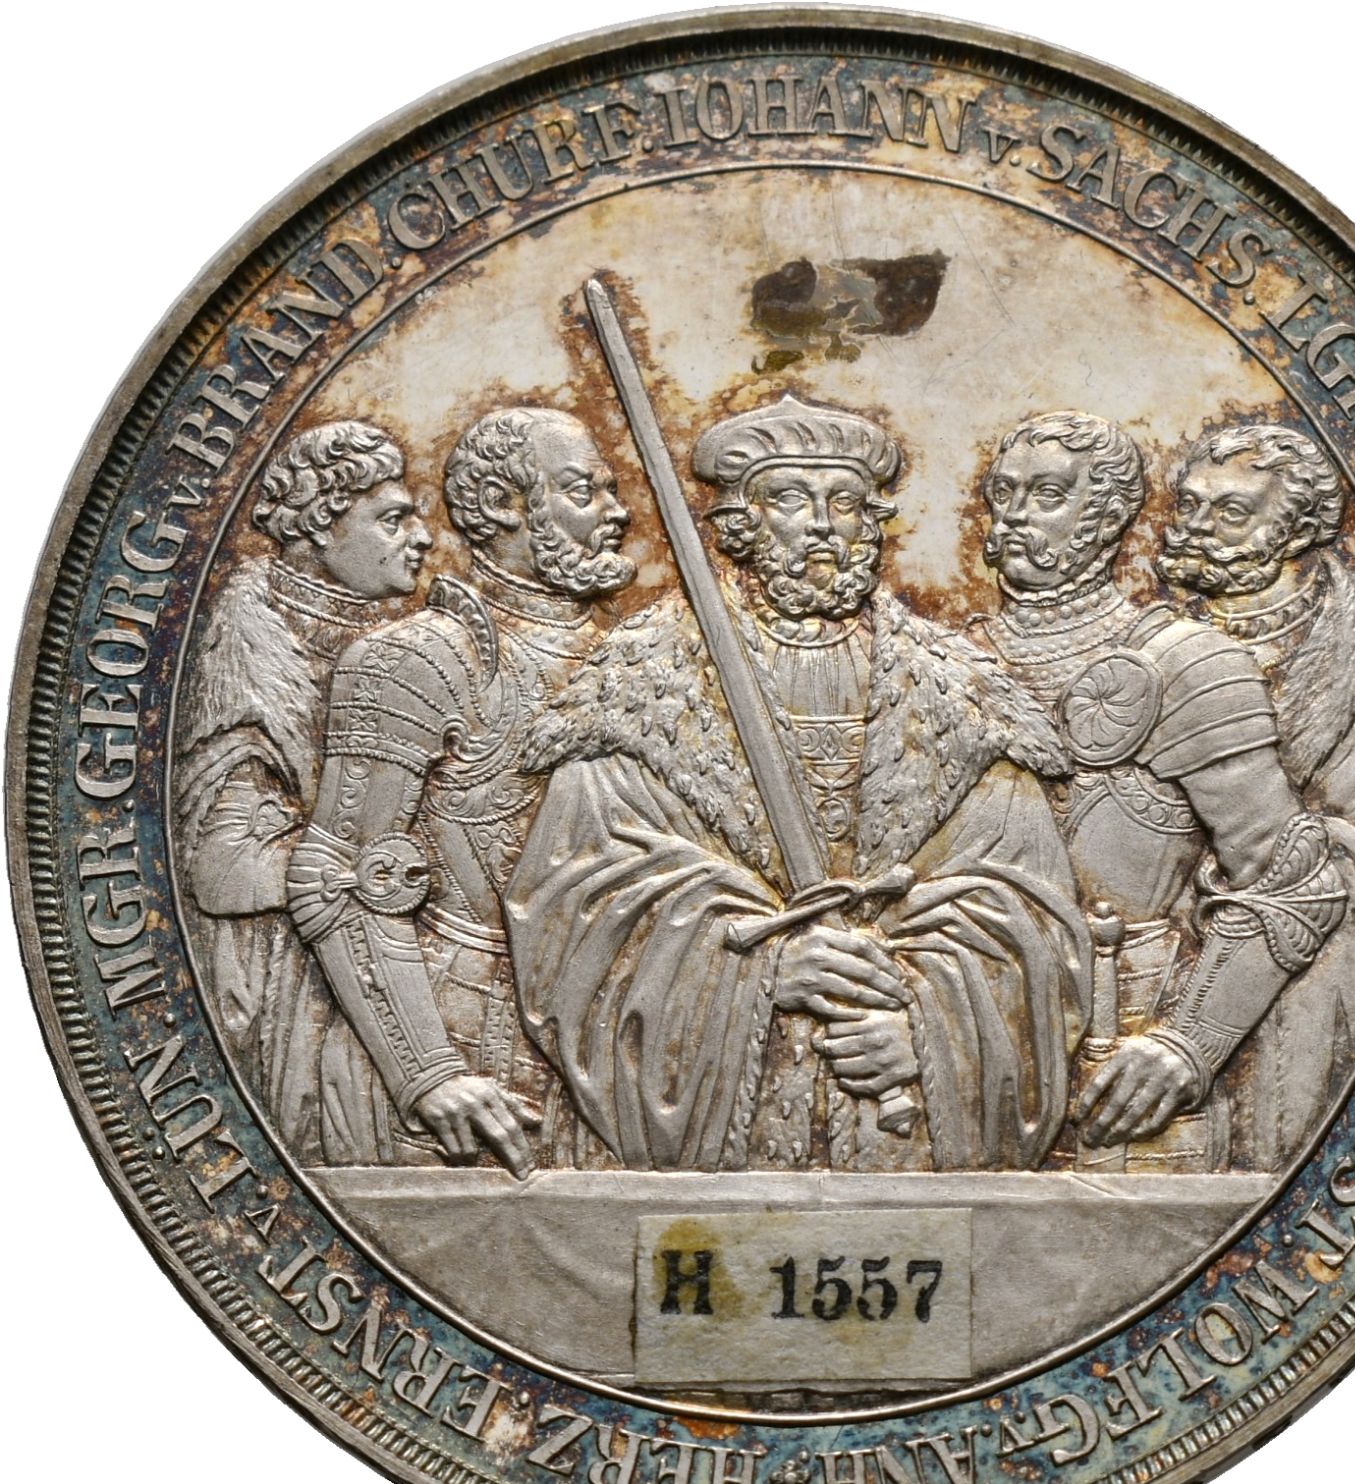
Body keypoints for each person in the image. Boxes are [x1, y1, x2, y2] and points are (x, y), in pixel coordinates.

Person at [505, 394, 1088, 1173]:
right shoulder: (640, 684)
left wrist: (934, 1032)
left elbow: (1030, 913)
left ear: (871, 522)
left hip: (900, 1123)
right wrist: (751, 970)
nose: (820, 524)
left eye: (843, 502)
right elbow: (573, 899)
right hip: (719, 1125)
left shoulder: (962, 694)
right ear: (740, 524)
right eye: (789, 499)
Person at [969, 410, 1347, 1173]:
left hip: (1125, 1089)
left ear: (1109, 516)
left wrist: (1188, 1044)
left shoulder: (1191, 665)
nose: (1015, 516)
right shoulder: (947, 659)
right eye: (1004, 493)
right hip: (966, 1069)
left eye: (1048, 494)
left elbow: (1293, 879)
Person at [287, 407, 635, 1172]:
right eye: (584, 491)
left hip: (617, 1042)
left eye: (612, 491)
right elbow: (340, 874)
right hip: (467, 1043)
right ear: (504, 505)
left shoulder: (638, 656)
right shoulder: (419, 659)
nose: (618, 514)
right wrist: (428, 1073)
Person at [1160, 423, 1355, 1163]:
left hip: (1304, 967)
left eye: (1230, 512)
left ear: (1298, 531)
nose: (1197, 527)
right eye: (1190, 505)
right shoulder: (1160, 641)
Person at [175, 419, 430, 1161]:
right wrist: (362, 867)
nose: (420, 536)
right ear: (320, 527)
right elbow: (221, 870)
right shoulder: (249, 670)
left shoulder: (392, 642)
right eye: (392, 519)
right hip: (293, 989)